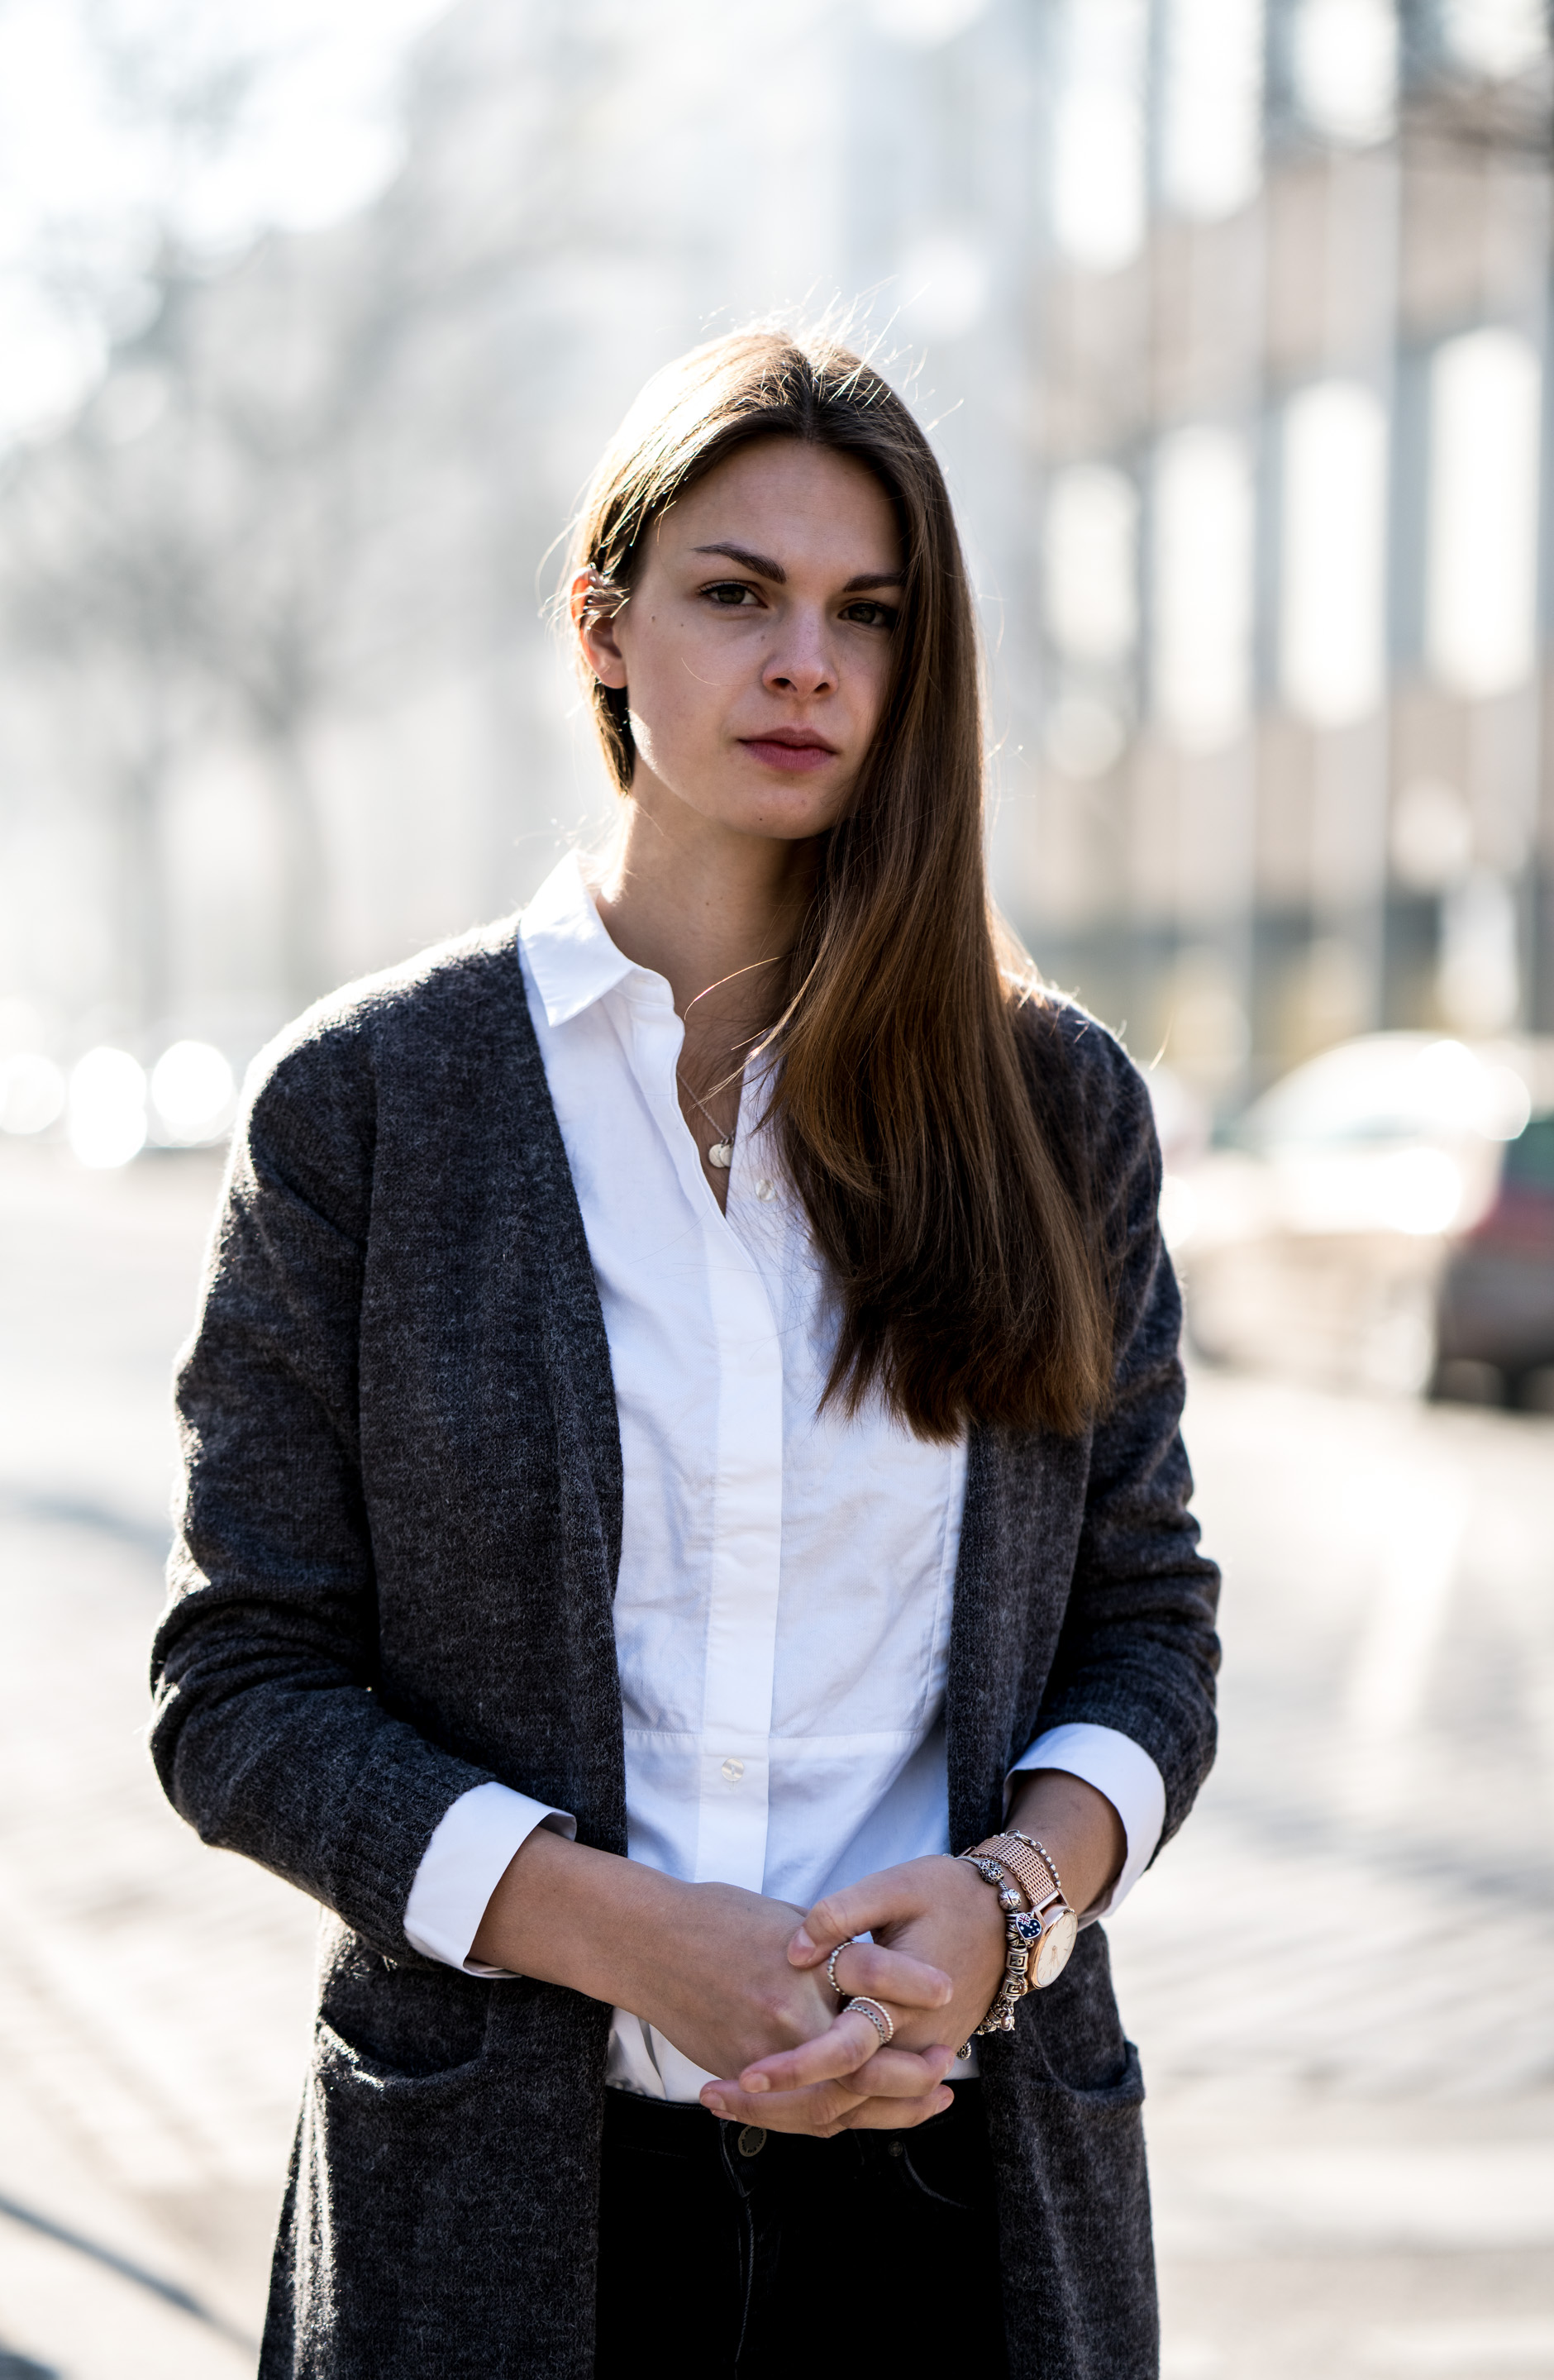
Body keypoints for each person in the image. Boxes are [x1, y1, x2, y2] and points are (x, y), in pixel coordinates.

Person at [151, 326, 1220, 2380]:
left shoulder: (1051, 1105)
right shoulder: (371, 1107)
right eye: (739, 594)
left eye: (867, 614)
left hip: (965, 2194)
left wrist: (1012, 1901)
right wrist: (633, 1938)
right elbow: (241, 1684)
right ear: (609, 623)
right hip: (504, 2214)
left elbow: (1147, 1618)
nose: (805, 661)